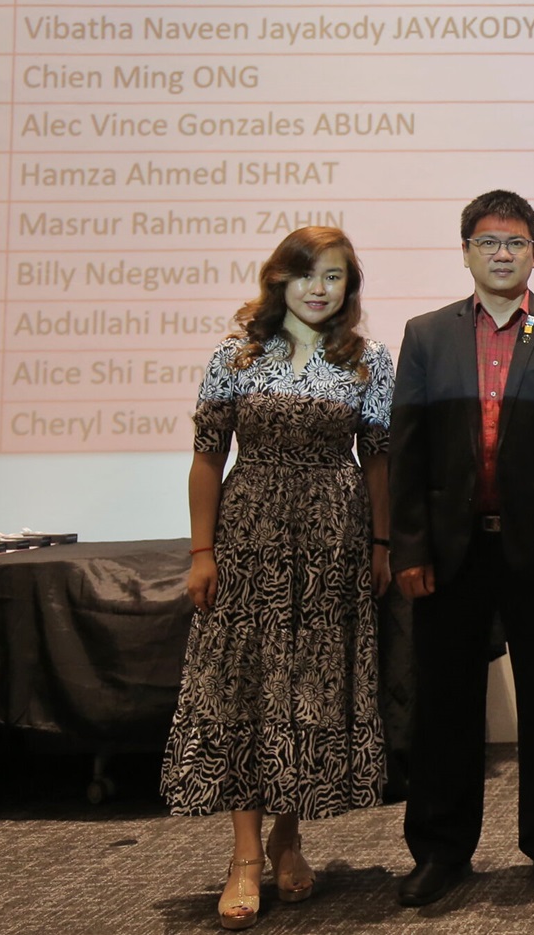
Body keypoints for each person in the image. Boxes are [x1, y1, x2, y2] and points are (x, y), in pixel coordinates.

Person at [162, 226, 392, 931]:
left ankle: (288, 835)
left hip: (333, 543)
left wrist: (382, 543)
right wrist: (203, 551)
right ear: (279, 281)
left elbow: (379, 459)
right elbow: (207, 457)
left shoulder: (369, 361)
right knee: (244, 688)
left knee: (308, 691)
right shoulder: (236, 356)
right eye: (306, 274)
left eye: (335, 276)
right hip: (249, 536)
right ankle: (244, 856)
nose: (320, 288)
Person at [389, 190, 534, 905]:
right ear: (466, 252)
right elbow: (409, 452)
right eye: (488, 242)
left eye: (515, 242)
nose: (503, 253)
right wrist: (408, 549)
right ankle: (441, 849)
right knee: (445, 703)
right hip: (449, 552)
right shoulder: (426, 335)